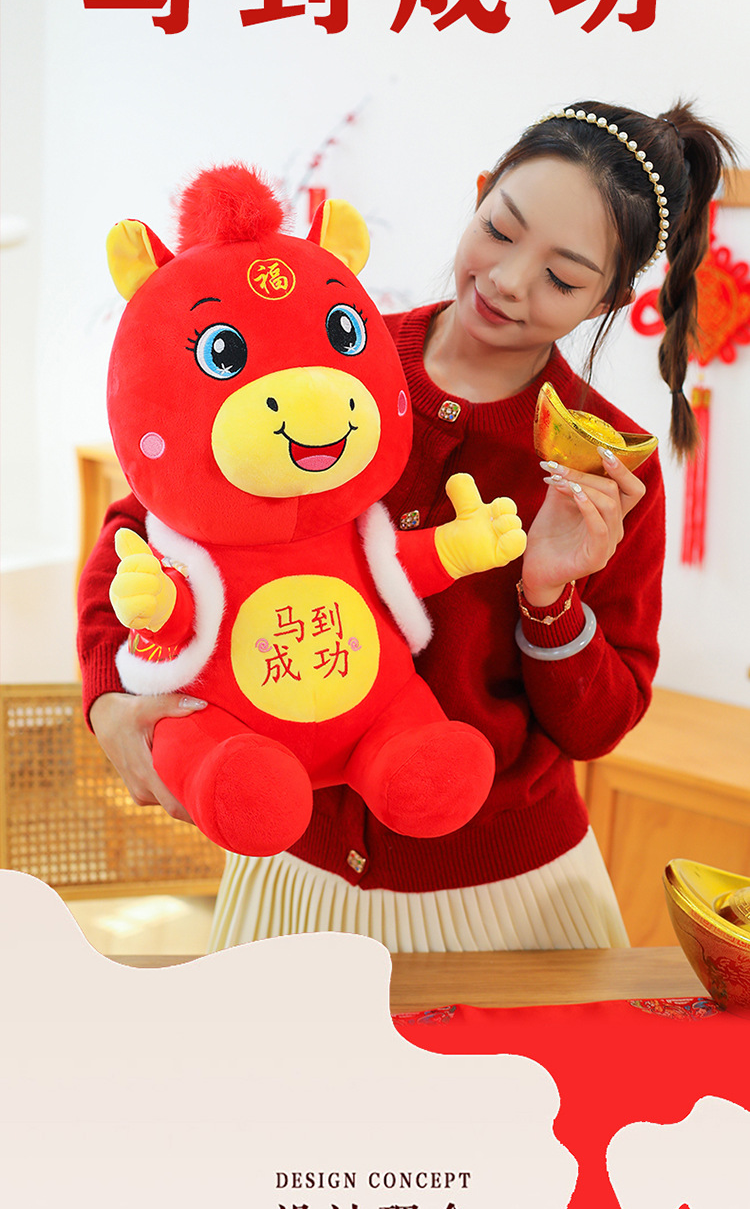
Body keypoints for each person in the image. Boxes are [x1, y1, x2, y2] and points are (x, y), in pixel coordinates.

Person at [77, 99, 733, 953]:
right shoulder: (324, 360)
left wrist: (549, 598)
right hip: (299, 870)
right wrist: (109, 697)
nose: (508, 280)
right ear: (479, 194)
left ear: (610, 295)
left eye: (562, 278)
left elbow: (599, 724)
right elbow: (140, 524)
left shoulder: (609, 468)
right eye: (500, 230)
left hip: (509, 894)